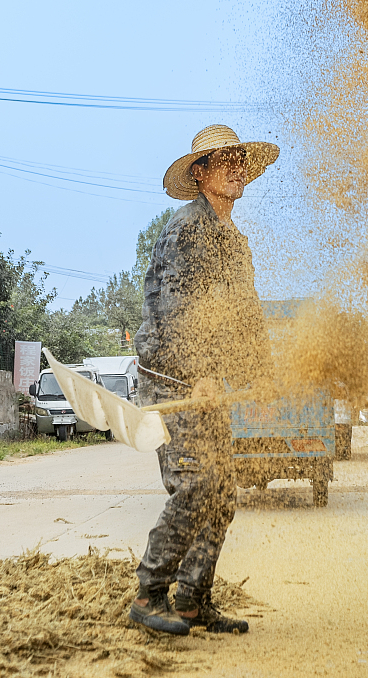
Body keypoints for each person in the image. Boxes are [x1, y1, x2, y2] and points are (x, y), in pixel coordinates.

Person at [129, 125, 278, 635]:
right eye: (225, 160)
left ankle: (193, 601)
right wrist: (203, 375)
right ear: (200, 173)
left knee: (222, 494)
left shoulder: (236, 244)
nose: (238, 167)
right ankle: (150, 594)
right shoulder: (184, 229)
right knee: (196, 485)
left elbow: (247, 320)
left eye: (242, 160)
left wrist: (265, 377)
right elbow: (177, 314)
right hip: (171, 378)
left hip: (207, 385)